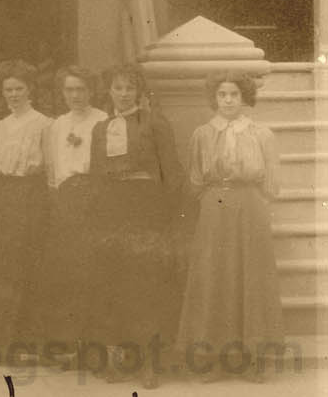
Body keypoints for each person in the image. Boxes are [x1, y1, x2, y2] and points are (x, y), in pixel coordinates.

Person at [176, 72, 284, 382]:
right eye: (222, 94)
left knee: (249, 276)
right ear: (214, 98)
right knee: (214, 277)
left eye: (234, 94)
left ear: (244, 97)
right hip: (214, 208)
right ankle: (213, 358)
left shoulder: (261, 134)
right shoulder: (202, 134)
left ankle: (249, 358)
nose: (227, 100)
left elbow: (271, 184)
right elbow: (195, 178)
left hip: (249, 207)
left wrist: (251, 201)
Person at [85, 64, 181, 388]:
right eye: (117, 87)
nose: (123, 93)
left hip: (146, 209)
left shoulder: (155, 123)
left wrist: (166, 217)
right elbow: (97, 175)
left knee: (146, 284)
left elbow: (172, 173)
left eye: (129, 88)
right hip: (111, 211)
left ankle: (149, 364)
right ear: (109, 90)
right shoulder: (101, 128)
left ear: (139, 91)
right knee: (112, 283)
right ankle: (116, 361)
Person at [0, 60, 51, 366]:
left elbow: (49, 166)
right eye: (8, 89)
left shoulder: (44, 123)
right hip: (4, 197)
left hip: (31, 195)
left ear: (30, 90)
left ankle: (26, 343)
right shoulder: (0, 126)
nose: (13, 94)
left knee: (25, 266)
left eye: (19, 89)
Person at [28, 65, 107, 362]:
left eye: (81, 89)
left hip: (92, 198)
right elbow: (52, 168)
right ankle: (65, 343)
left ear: (91, 91)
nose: (75, 95)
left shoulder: (102, 120)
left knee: (89, 271)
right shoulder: (57, 125)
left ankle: (90, 345)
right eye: (69, 90)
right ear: (62, 93)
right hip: (63, 201)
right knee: (63, 271)